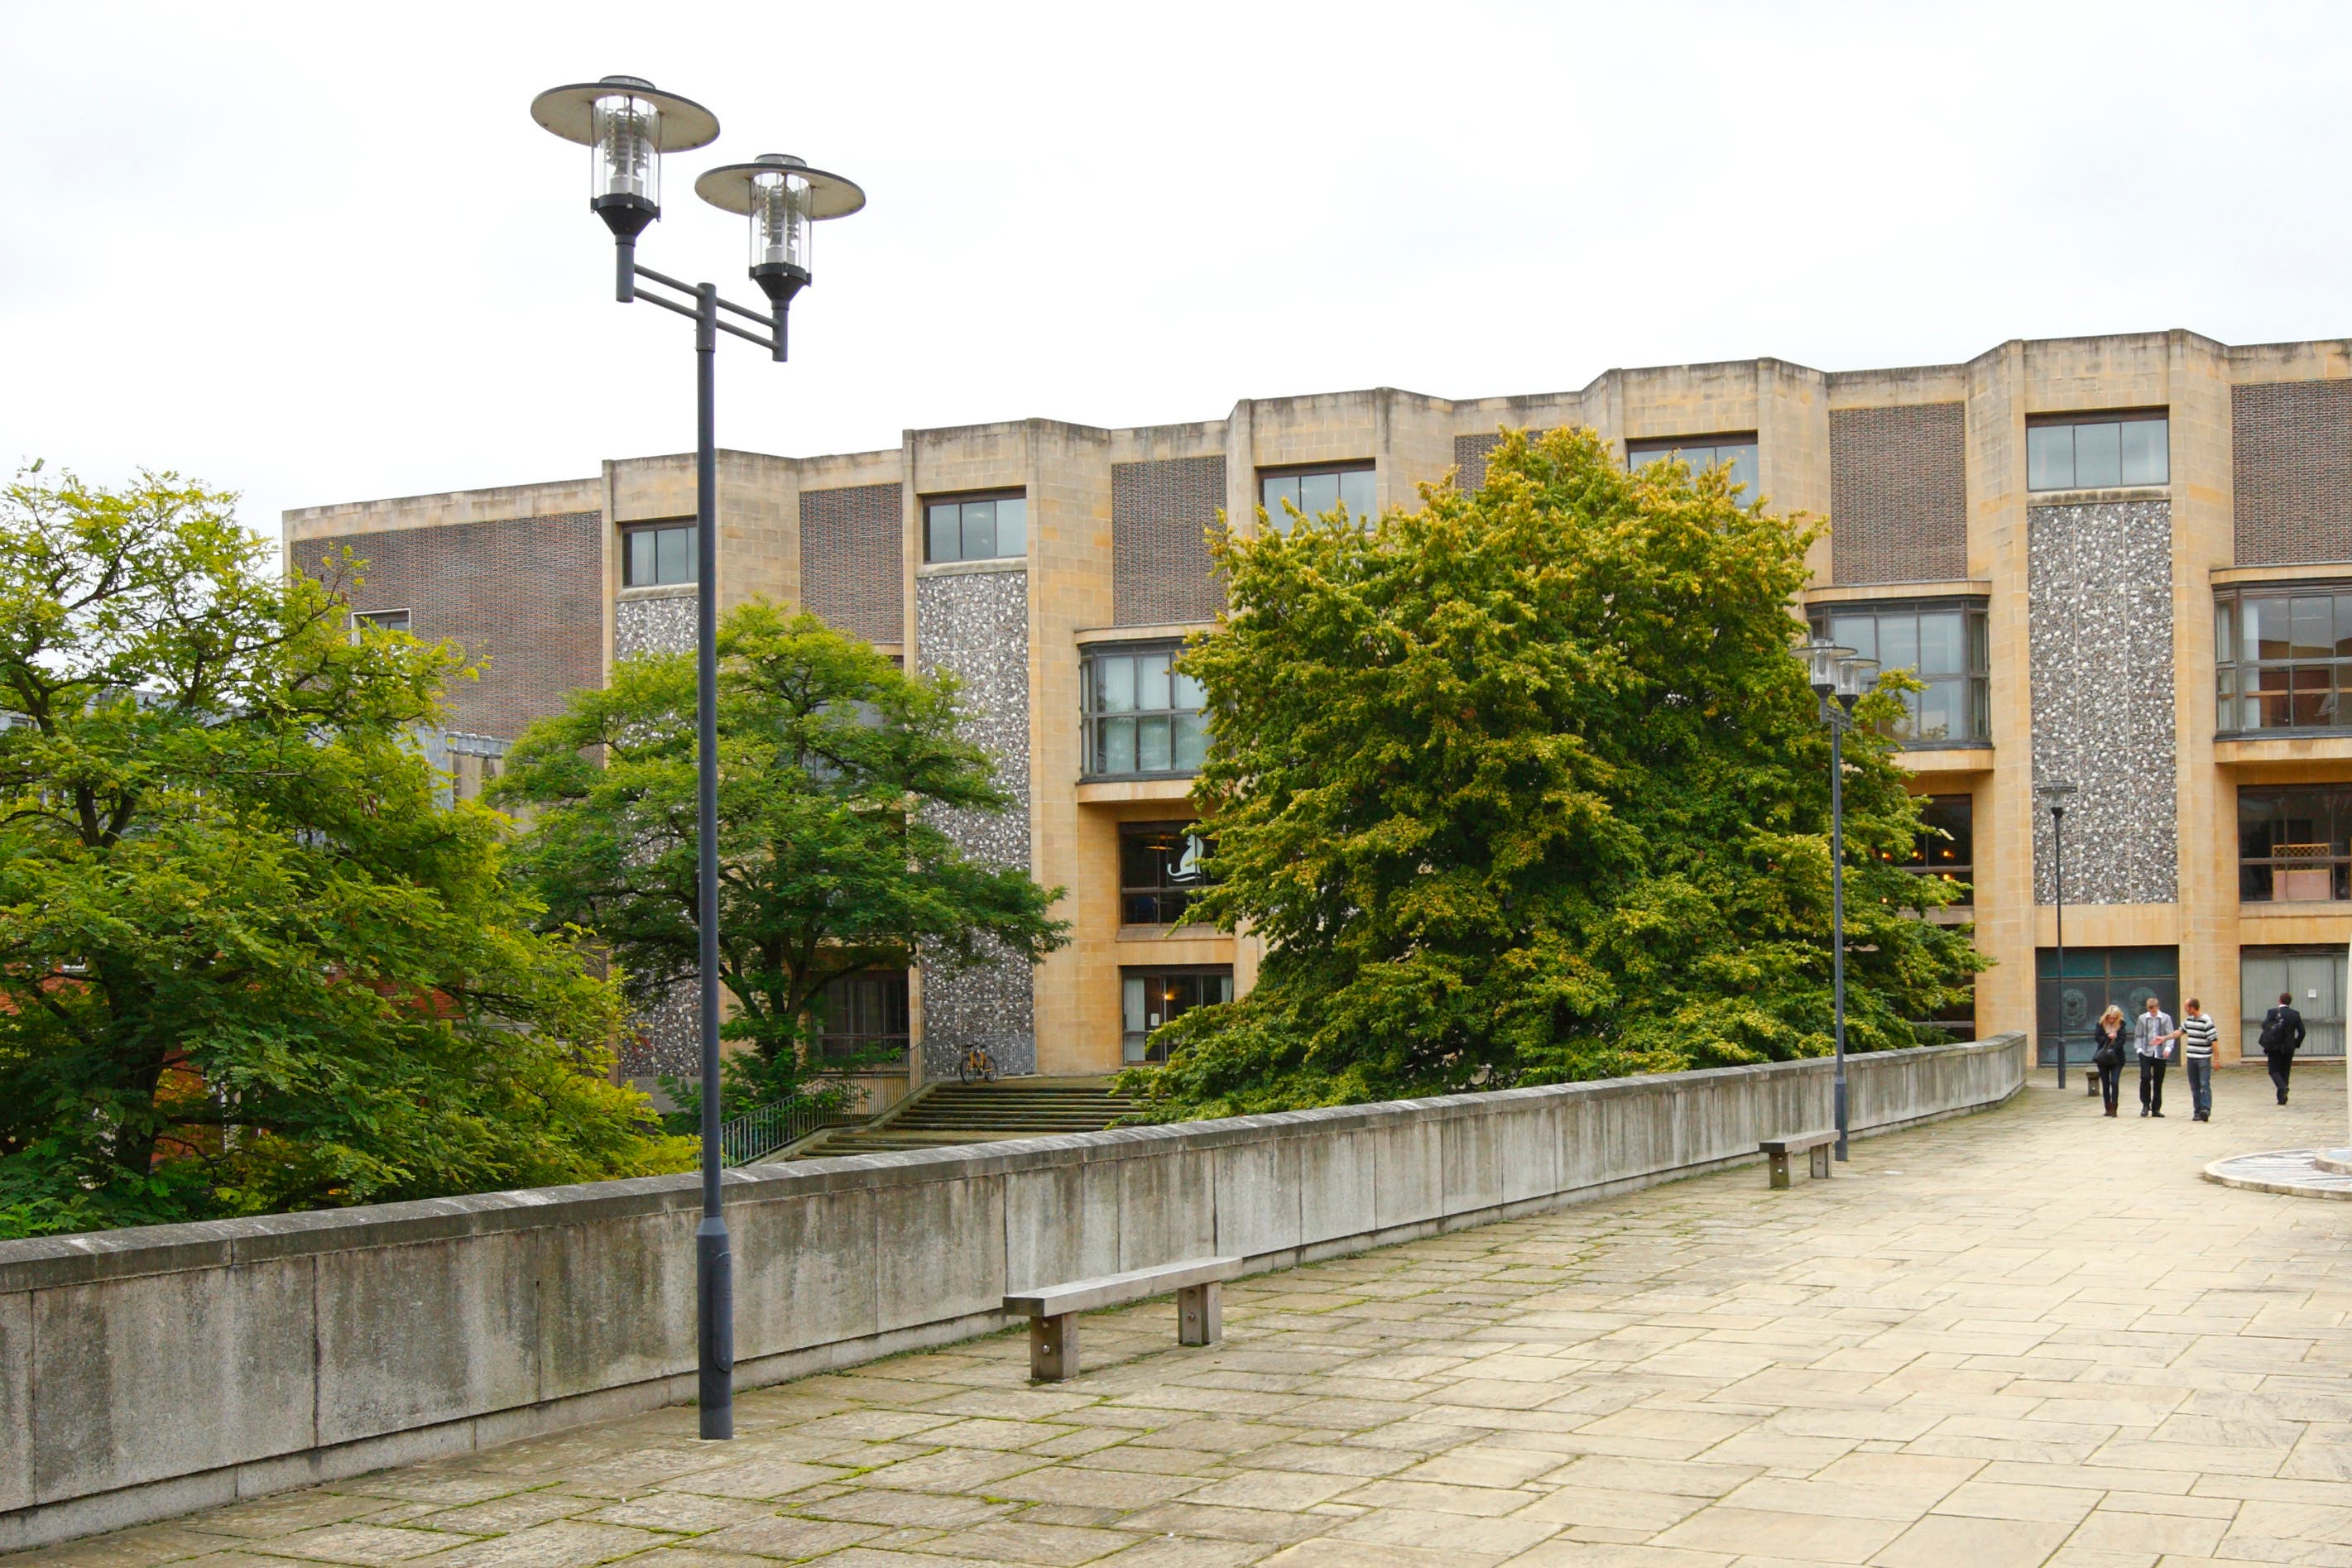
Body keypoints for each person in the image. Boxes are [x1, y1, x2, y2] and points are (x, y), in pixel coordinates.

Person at [2258, 990, 2306, 1105]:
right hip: (2289, 1047)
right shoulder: (2295, 1014)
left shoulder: (2273, 1012)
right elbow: (2302, 1031)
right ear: (2290, 1002)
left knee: (2274, 1071)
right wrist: (2295, 1043)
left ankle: (2282, 1087)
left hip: (2274, 1046)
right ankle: (2282, 1098)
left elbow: (2264, 1025)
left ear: (2279, 1000)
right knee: (2285, 1071)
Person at [2134, 994, 2177, 1118]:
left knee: (2158, 1082)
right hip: (2146, 1052)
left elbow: (2170, 1034)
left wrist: (2169, 1048)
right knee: (2145, 1078)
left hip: (2160, 1053)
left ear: (2158, 1007)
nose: (2152, 1012)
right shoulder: (2142, 1018)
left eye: (2153, 1009)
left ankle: (2156, 1108)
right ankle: (2145, 1105)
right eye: (2149, 1009)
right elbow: (2139, 1035)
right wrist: (2139, 1050)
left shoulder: (2165, 1018)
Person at [2179, 998, 2218, 1122]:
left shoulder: (2206, 1021)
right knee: (2194, 1086)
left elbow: (2214, 1041)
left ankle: (2205, 1109)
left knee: (2204, 1084)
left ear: (2192, 1008)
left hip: (2203, 1058)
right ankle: (2197, 1111)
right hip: (2191, 1057)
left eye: (2186, 1007)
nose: (2185, 1009)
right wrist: (2164, 1038)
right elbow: (2179, 1032)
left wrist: (2217, 1059)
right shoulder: (2189, 1021)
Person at [2090, 1005, 2129, 1117]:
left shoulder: (2121, 1025)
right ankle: (2107, 1108)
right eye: (2110, 1018)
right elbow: (2097, 1038)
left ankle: (2114, 1107)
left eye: (2115, 1018)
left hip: (2116, 1057)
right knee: (2105, 1083)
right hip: (2103, 1057)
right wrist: (2108, 1037)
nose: (2112, 1020)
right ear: (2106, 1016)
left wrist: (2115, 1042)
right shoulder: (2101, 1024)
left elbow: (2123, 1040)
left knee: (2115, 1082)